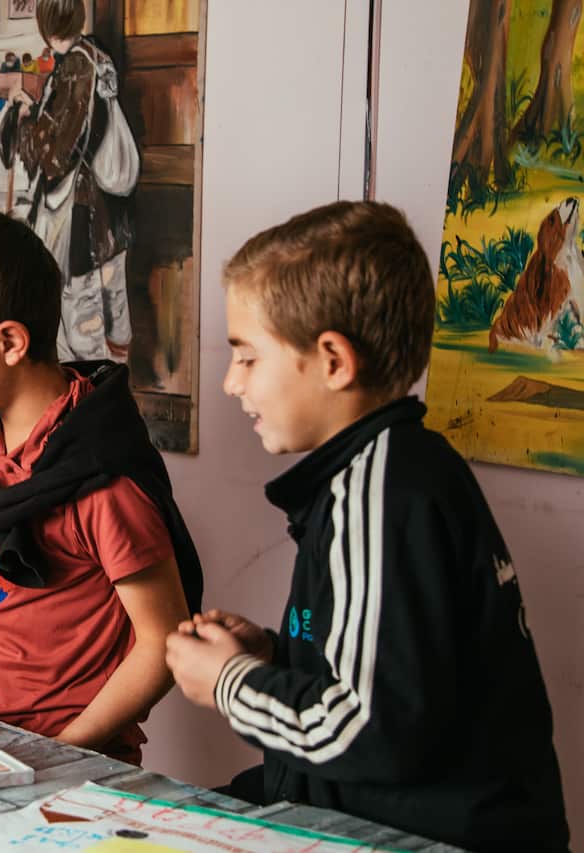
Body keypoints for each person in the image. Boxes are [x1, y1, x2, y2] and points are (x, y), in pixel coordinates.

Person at [164, 201, 570, 852]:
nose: (230, 383)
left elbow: (371, 728)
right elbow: (394, 667)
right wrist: (274, 656)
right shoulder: (402, 468)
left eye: (247, 358)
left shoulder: (377, 492)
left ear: (333, 361)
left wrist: (229, 682)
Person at [0, 209, 202, 765]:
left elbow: (162, 642)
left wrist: (55, 754)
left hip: (72, 765)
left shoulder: (103, 483)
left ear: (9, 342)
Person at [9, 0, 134, 363]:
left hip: (81, 210)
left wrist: (26, 120)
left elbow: (58, 152)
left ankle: (93, 390)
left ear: (45, 25)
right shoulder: (97, 55)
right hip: (108, 207)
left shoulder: (75, 67)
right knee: (113, 311)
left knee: (82, 317)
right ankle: (116, 384)